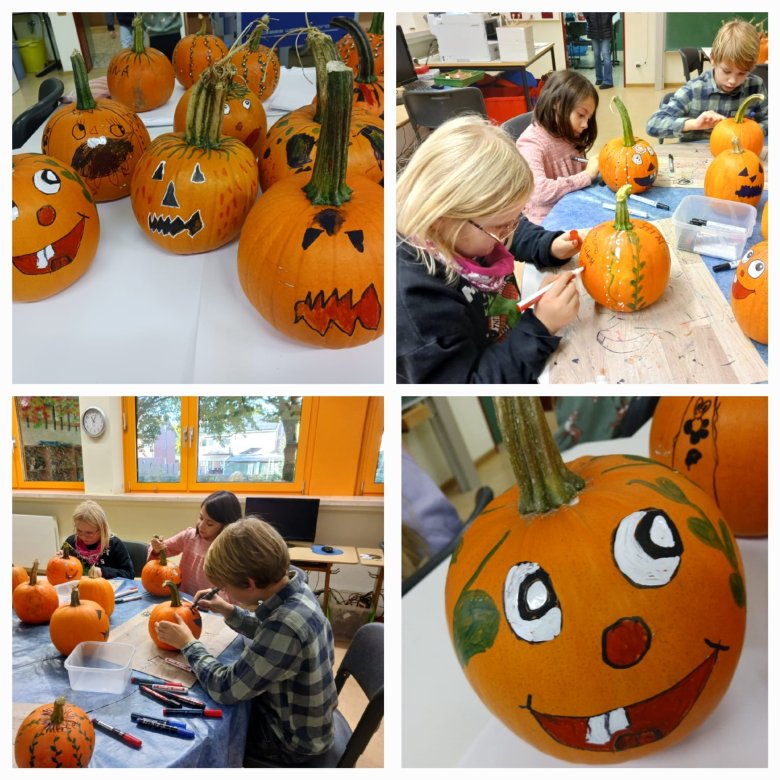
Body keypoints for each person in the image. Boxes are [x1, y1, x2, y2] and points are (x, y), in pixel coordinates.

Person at [397, 115, 582, 384]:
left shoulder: (465, 230)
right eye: (499, 227)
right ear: (441, 218)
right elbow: (476, 384)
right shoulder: (418, 303)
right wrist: (540, 327)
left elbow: (509, 232)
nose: (508, 233)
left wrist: (548, 245)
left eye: (513, 220)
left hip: (507, 341)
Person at [154, 518, 337, 766]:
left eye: (225, 587)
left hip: (290, 743)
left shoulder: (285, 626)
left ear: (249, 584)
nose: (221, 591)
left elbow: (226, 688)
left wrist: (188, 643)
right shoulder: (297, 591)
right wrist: (230, 611)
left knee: (197, 730)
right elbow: (267, 634)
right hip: (305, 718)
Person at [646, 19, 768, 143]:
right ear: (713, 58)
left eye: (742, 73)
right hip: (697, 154)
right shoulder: (694, 90)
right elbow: (653, 124)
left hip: (739, 153)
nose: (732, 81)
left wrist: (750, 131)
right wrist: (693, 124)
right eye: (726, 71)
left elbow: (769, 120)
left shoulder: (755, 86)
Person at [515, 70, 600, 224]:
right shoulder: (530, 143)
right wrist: (587, 176)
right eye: (581, 115)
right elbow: (539, 192)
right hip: (546, 220)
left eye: (588, 117)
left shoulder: (570, 133)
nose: (585, 124)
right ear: (557, 104)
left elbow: (578, 174)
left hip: (575, 204)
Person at [146, 490, 241, 597]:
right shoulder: (189, 536)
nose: (201, 526)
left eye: (209, 524)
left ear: (226, 526)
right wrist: (157, 548)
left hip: (212, 606)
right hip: (183, 599)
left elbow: (233, 592)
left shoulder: (231, 551)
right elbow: (163, 550)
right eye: (201, 518)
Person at [61, 500, 133, 579]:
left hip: (107, 589)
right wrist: (60, 559)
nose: (83, 537)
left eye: (89, 533)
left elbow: (129, 574)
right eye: (79, 531)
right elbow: (60, 572)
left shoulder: (114, 545)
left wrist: (103, 572)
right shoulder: (71, 543)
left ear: (102, 529)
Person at [583, 12, 615, 90]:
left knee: (605, 54)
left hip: (606, 29)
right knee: (596, 55)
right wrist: (589, 17)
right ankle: (599, 78)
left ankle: (608, 81)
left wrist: (607, 16)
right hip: (593, 30)